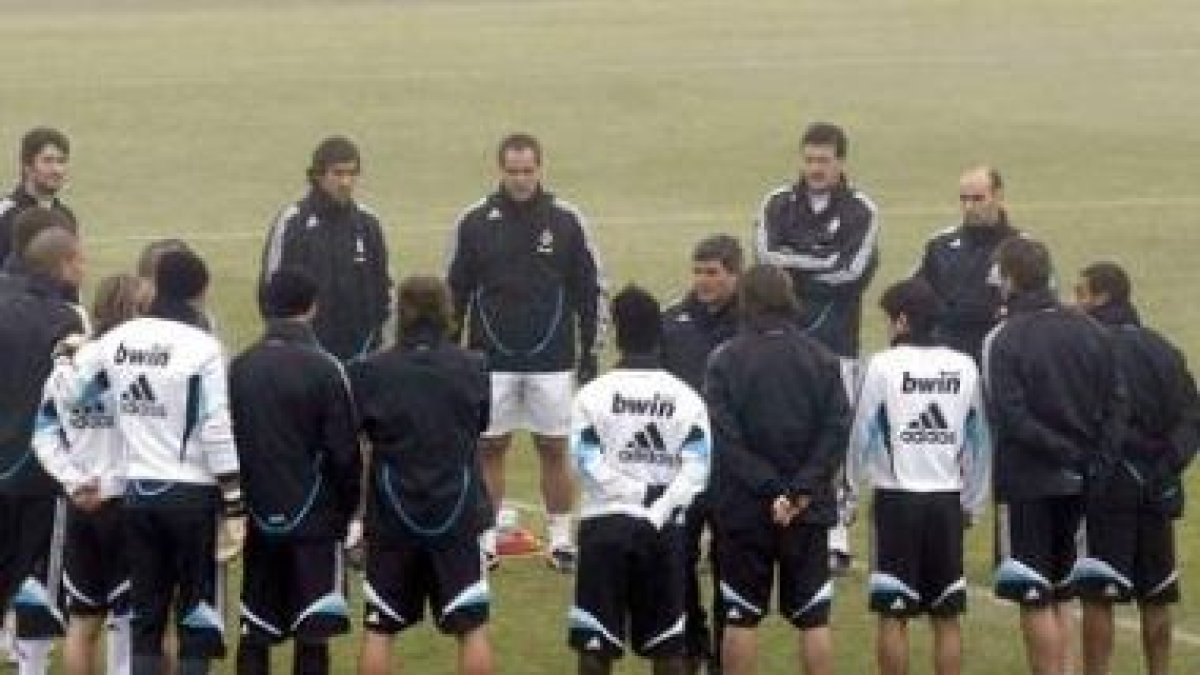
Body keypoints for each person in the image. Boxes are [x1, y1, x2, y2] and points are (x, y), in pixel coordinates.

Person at [57, 249, 243, 675]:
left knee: (146, 616)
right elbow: (215, 427)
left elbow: (73, 391)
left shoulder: (119, 340)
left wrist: (63, 357)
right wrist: (234, 502)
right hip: (193, 494)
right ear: (200, 291)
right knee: (196, 614)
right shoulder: (203, 347)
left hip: (138, 493)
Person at [446, 132, 606, 572]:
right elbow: (454, 292)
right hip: (489, 360)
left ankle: (560, 539)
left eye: (527, 171)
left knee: (554, 447)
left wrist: (591, 351)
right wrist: (449, 351)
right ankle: (487, 540)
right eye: (512, 171)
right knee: (489, 447)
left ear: (540, 169)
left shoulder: (566, 220)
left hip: (551, 359)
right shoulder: (475, 222)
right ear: (500, 170)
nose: (520, 180)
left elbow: (591, 289)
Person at [983, 238, 1123, 675]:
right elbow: (1117, 404)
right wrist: (1096, 460)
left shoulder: (1002, 338)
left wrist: (1063, 452)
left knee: (1033, 594)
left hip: (1028, 480)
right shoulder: (1092, 330)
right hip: (1083, 479)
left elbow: (1010, 415)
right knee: (1065, 591)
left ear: (1009, 279)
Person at [705, 264, 850, 675]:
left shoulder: (725, 359)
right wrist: (800, 490)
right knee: (814, 618)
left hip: (745, 507)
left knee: (740, 615)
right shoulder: (820, 357)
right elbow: (836, 429)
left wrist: (772, 491)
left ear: (746, 302)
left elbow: (726, 438)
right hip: (807, 506)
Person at [846, 278, 992, 675]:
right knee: (946, 614)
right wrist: (973, 501)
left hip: (896, 500)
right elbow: (980, 439)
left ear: (904, 321)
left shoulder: (883, 365)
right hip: (946, 500)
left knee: (893, 614)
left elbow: (860, 433)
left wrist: (849, 493)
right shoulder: (963, 365)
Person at [349, 276, 494, 675]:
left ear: (401, 312)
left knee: (380, 628)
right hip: (457, 509)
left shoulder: (370, 370)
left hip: (393, 511)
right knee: (473, 627)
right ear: (447, 311)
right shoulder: (474, 365)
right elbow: (480, 424)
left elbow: (360, 437)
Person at [752, 121, 878, 573]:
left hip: (836, 346)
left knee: (836, 439)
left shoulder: (862, 211)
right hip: (777, 346)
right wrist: (821, 262)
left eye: (824, 161)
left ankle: (838, 533)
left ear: (841, 162)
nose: (815, 169)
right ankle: (772, 515)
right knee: (773, 430)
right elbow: (766, 264)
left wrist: (795, 265)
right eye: (809, 160)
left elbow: (852, 273)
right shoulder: (777, 204)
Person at [568, 285, 711, 675]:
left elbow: (585, 458)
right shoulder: (686, 398)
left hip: (605, 525)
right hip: (665, 531)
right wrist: (658, 503)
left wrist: (629, 492)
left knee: (596, 643)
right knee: (667, 646)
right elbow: (697, 468)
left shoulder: (592, 395)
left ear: (616, 333)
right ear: (660, 333)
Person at [228, 269, 361, 675]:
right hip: (316, 514)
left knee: (256, 625)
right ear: (313, 306)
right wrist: (348, 512)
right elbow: (344, 452)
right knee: (313, 629)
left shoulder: (240, 366)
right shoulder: (326, 367)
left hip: (257, 513)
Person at [1072, 262, 1199, 675]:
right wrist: (1168, 464)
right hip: (1159, 483)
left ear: (1101, 297)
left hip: (1111, 486)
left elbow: (1091, 418)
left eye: (1081, 293)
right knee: (1157, 595)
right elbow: (1190, 416)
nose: (1076, 302)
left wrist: (1108, 464)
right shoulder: (1164, 348)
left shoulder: (1091, 349)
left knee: (1098, 594)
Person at [33, 273, 152, 675]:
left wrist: (72, 479)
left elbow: (45, 435)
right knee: (130, 621)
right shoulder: (139, 369)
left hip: (81, 505)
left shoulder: (66, 369)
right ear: (137, 312)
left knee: (82, 623)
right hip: (128, 504)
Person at [0, 226, 87, 675]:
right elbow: (77, 399)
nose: (85, 268)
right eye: (79, 260)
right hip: (44, 472)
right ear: (62, 266)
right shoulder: (69, 320)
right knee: (39, 584)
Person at [660, 234, 741, 674]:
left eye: (712, 273)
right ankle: (691, 641)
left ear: (735, 274)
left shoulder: (753, 324)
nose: (703, 281)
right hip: (681, 467)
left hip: (733, 468)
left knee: (729, 561)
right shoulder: (671, 321)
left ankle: (727, 651)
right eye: (698, 271)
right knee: (678, 557)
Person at [259, 135, 391, 361]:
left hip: (361, 355)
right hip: (305, 356)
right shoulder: (292, 222)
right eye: (338, 173)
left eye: (352, 173)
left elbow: (385, 288)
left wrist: (376, 342)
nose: (346, 182)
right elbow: (271, 289)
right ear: (319, 175)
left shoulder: (368, 224)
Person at [913, 166, 1022, 362]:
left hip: (1002, 357)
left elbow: (1039, 307)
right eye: (963, 199)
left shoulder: (1024, 248)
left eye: (978, 199)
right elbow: (917, 296)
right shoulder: (939, 245)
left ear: (998, 196)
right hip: (946, 358)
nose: (969, 207)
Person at [0, 127, 76, 265]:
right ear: (27, 166)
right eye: (48, 161)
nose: (57, 170)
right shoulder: (6, 213)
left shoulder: (66, 216)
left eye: (61, 161)